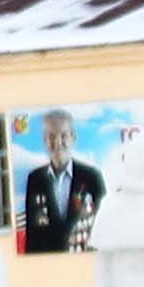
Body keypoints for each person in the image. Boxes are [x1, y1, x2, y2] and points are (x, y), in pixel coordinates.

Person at [14, 109, 103, 256]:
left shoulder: (92, 177)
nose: (57, 142)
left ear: (73, 138)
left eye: (63, 135)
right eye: (51, 136)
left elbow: (103, 223)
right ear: (45, 140)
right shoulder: (35, 179)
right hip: (49, 263)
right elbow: (32, 231)